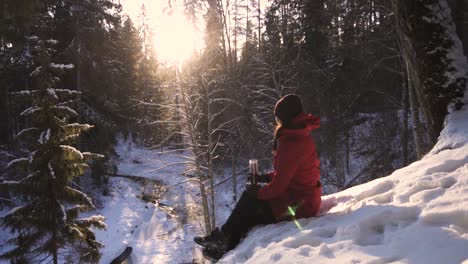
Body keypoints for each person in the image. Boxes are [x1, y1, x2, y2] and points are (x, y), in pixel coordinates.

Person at [194, 94, 322, 261]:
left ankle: (222, 241)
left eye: (277, 117)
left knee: (251, 201)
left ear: (283, 117)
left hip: (301, 204)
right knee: (251, 204)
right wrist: (264, 178)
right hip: (304, 197)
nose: (276, 121)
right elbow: (290, 174)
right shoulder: (299, 134)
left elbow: (278, 187)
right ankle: (223, 242)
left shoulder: (291, 143)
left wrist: (258, 193)